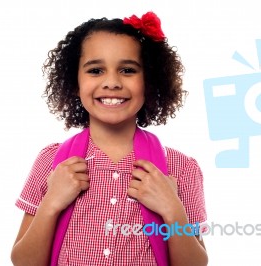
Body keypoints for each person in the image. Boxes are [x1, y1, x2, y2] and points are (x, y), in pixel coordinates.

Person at [11, 11, 208, 266]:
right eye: (95, 70)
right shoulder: (52, 162)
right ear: (75, 82)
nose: (112, 82)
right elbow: (23, 262)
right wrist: (51, 203)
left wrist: (173, 210)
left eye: (127, 70)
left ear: (149, 82)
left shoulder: (181, 168)